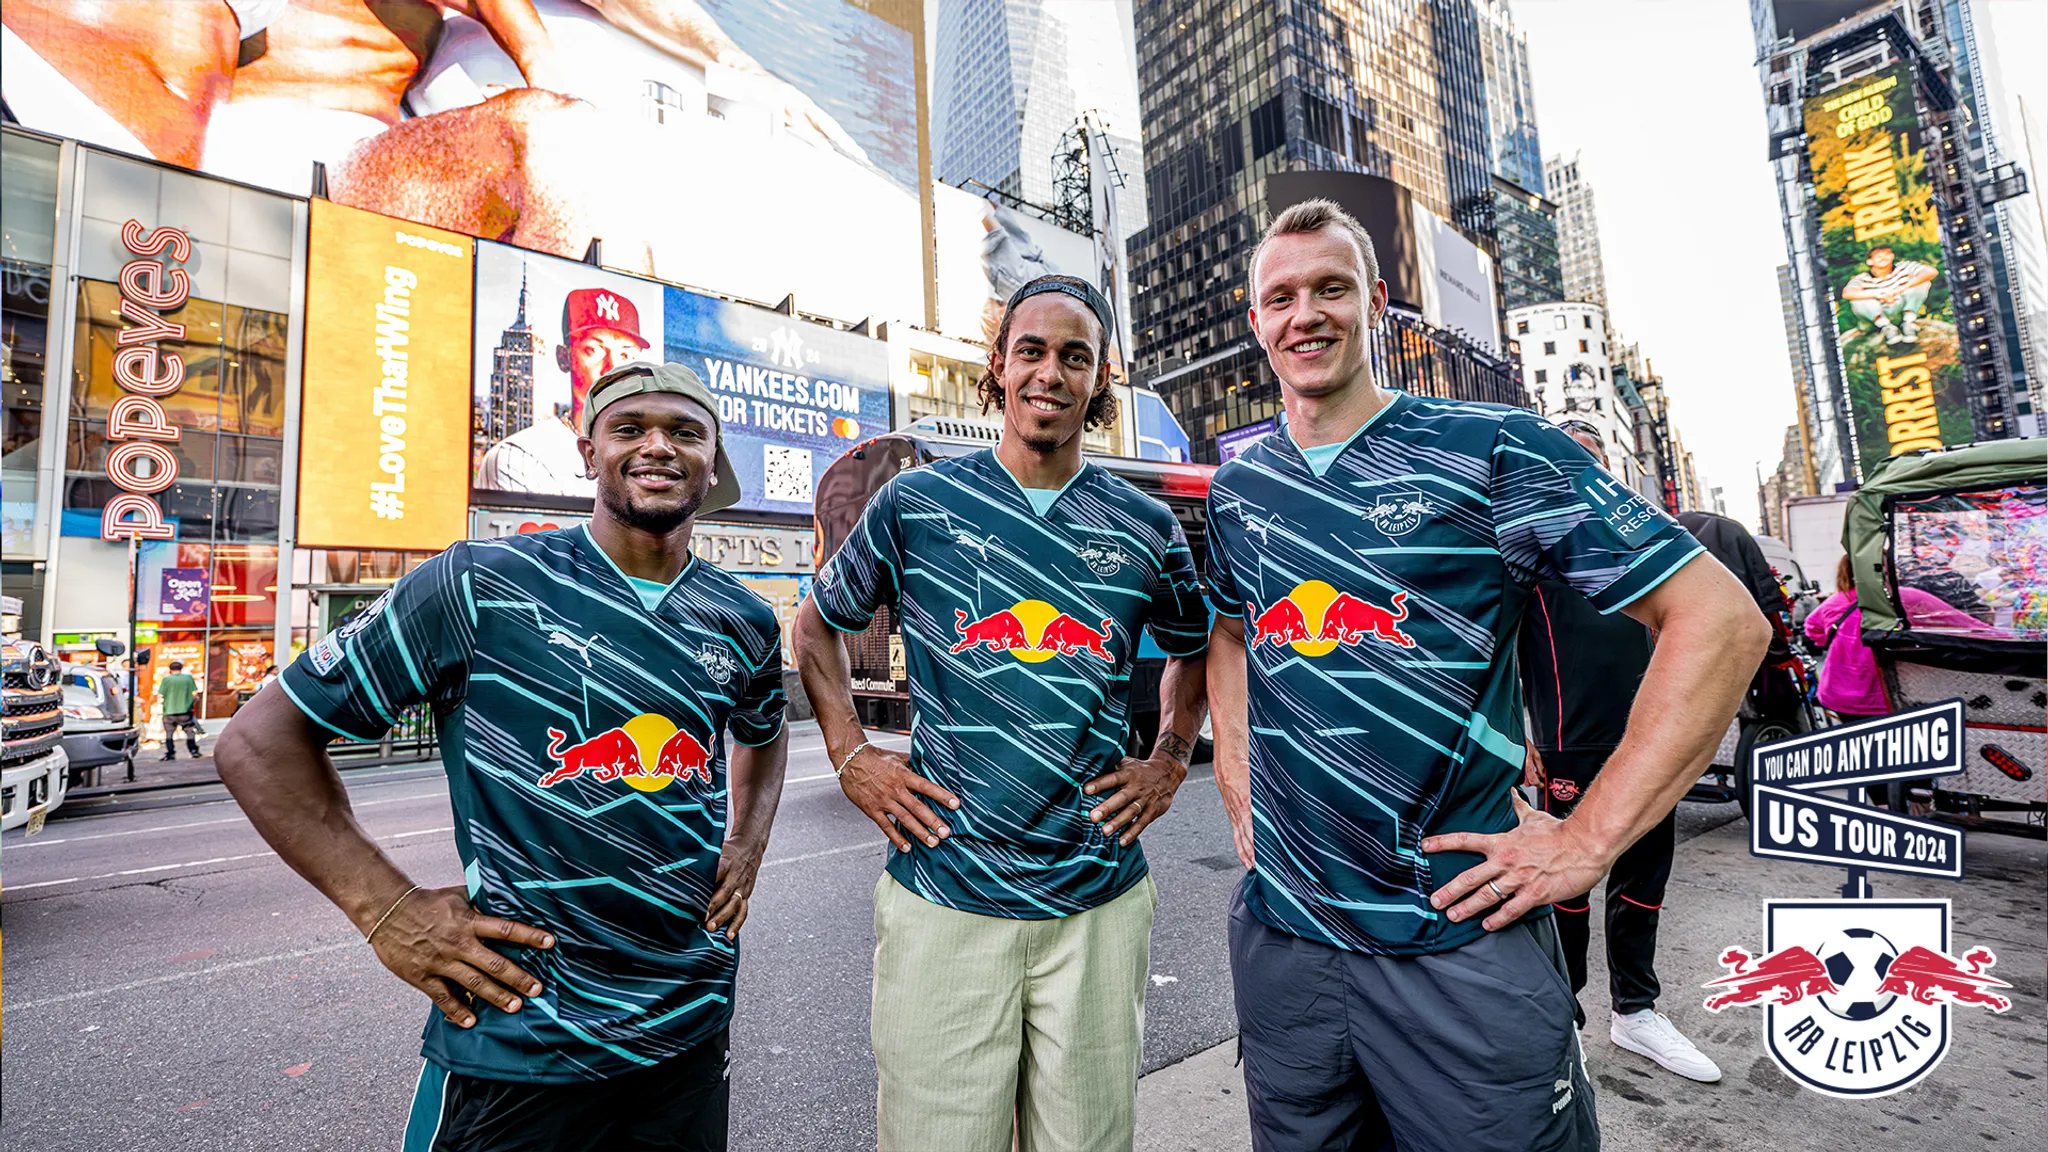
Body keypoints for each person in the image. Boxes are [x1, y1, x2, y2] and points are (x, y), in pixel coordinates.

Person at [1205, 199, 1771, 1151]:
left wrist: (1589, 841)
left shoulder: (1496, 450)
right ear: (1256, 319)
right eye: (1282, 296)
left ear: (1375, 302)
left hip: (1458, 941)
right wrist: (1234, 773)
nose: (1306, 313)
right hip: (1287, 946)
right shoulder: (1238, 488)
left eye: (1331, 288)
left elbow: (1719, 621)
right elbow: (1228, 628)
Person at [215, 361, 785, 1152]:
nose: (658, 445)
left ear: (712, 460)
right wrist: (386, 910)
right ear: (590, 452)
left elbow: (764, 729)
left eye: (685, 430)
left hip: (690, 1027)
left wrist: (750, 838)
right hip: (520, 1040)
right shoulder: (481, 584)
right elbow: (258, 740)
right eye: (630, 428)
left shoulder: (742, 617)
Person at [793, 274, 1210, 1152]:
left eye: (1075, 357)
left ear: (1100, 382)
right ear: (998, 367)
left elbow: (1195, 646)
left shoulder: (1145, 526)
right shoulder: (917, 504)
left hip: (1095, 903)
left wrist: (1171, 758)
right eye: (1032, 351)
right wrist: (851, 757)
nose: (1050, 373)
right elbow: (815, 627)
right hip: (945, 896)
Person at [1520, 422, 1721, 1084]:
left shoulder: (1647, 546)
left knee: (1643, 881)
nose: (1583, 472)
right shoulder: (1525, 550)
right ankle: (1560, 1019)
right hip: (1567, 742)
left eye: (1594, 462)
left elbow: (1697, 630)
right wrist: (1516, 735)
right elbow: (1488, 650)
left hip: (1649, 739)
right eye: (1572, 460)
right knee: (1569, 889)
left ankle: (1636, 1012)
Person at [475, 287, 652, 496]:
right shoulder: (519, 457)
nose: (611, 368)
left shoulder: (658, 454)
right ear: (563, 357)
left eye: (625, 355)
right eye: (593, 350)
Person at [1840, 246, 1937, 346]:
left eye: (1887, 254)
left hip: (1900, 307)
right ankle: (1887, 327)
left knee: (1922, 283)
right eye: (1878, 256)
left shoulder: (1904, 267)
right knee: (1856, 300)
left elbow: (1931, 272)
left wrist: (1898, 290)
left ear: (1892, 256)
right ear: (1869, 261)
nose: (1883, 258)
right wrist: (1878, 294)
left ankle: (1908, 323)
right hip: (1878, 312)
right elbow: (1847, 293)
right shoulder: (1862, 278)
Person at [156, 660, 204, 761]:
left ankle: (171, 753)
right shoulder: (188, 678)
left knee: (169, 734)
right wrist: (191, 703)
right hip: (185, 710)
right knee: (189, 732)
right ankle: (193, 751)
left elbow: (160, 695)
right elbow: (194, 694)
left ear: (170, 670)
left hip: (169, 711)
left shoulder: (166, 680)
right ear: (181, 669)